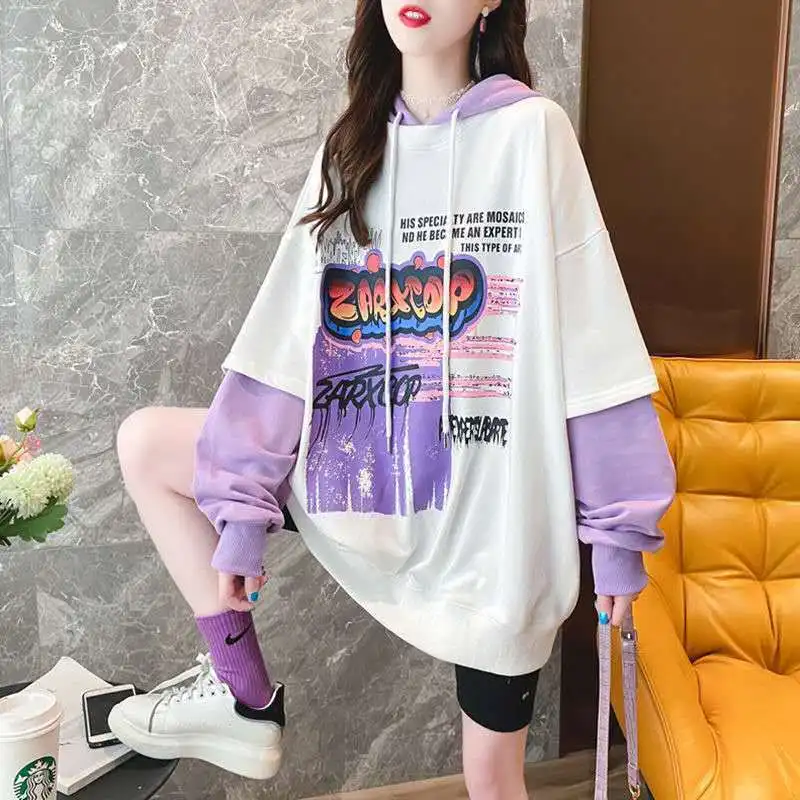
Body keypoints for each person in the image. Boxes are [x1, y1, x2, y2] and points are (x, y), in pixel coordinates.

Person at [109, 1, 676, 797]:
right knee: (146, 445)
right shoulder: (350, 152)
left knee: (491, 776)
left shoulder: (532, 133)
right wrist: (240, 516)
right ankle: (243, 696)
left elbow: (594, 340)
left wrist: (616, 531)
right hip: (368, 486)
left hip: (492, 527)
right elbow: (286, 338)